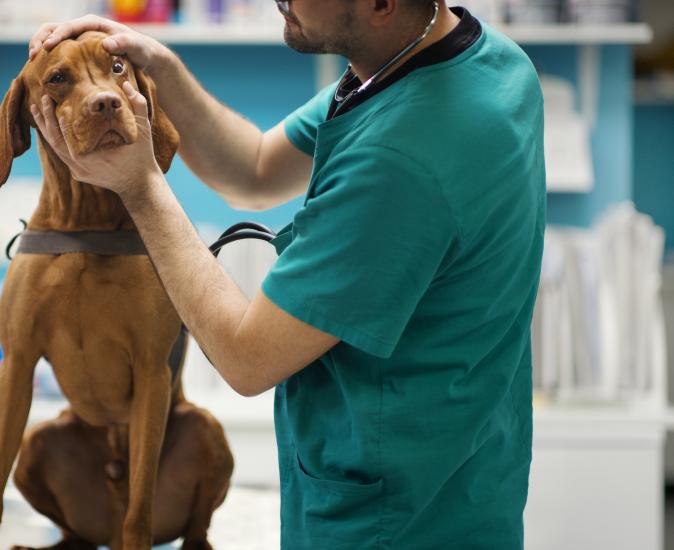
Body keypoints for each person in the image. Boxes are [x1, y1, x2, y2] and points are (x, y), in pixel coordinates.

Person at [27, 0, 545, 547]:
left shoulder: (402, 156)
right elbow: (254, 168)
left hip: (391, 524)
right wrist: (159, 65)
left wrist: (141, 188)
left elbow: (248, 359)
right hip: (465, 492)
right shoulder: (475, 60)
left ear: (381, 4)